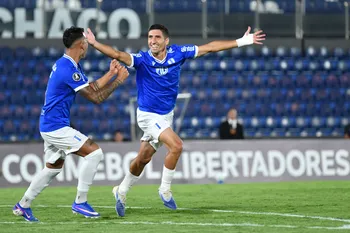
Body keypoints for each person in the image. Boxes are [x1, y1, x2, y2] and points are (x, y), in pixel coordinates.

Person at [85, 24, 265, 217]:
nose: (152, 41)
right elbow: (117, 54)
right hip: (147, 116)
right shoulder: (142, 59)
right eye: (150, 37)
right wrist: (94, 43)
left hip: (165, 116)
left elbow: (210, 47)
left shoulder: (179, 53)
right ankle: (164, 189)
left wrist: (243, 41)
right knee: (177, 145)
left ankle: (121, 190)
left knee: (142, 159)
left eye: (157, 37)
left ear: (166, 41)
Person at [12, 26, 129, 222]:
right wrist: (118, 81)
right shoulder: (68, 68)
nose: (87, 48)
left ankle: (23, 205)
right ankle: (80, 202)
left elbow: (90, 87)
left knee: (53, 167)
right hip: (55, 126)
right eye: (86, 44)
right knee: (94, 152)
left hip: (50, 124)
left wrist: (110, 74)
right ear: (82, 45)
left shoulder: (68, 64)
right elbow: (95, 97)